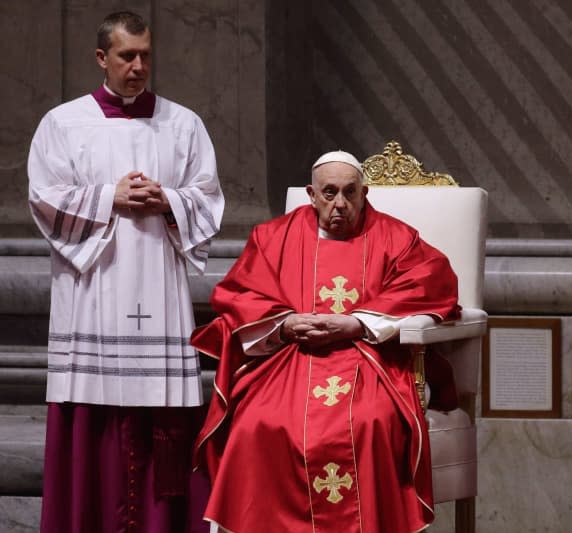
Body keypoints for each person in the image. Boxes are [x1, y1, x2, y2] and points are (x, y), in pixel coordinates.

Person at [191, 150, 460, 532]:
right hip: (290, 359)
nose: (340, 204)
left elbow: (434, 281)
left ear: (365, 193)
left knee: (371, 422)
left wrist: (356, 323)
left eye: (350, 193)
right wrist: (284, 325)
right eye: (329, 193)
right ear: (311, 195)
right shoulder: (273, 237)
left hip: (368, 359)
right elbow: (238, 295)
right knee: (256, 422)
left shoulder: (395, 237)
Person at [28, 11, 224, 533]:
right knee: (93, 416)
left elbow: (207, 197)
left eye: (145, 56)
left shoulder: (182, 124)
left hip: (158, 293)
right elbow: (44, 196)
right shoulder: (63, 124)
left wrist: (170, 200)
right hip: (93, 288)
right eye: (126, 56)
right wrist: (107, 196)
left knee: (160, 416)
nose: (138, 67)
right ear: (101, 59)